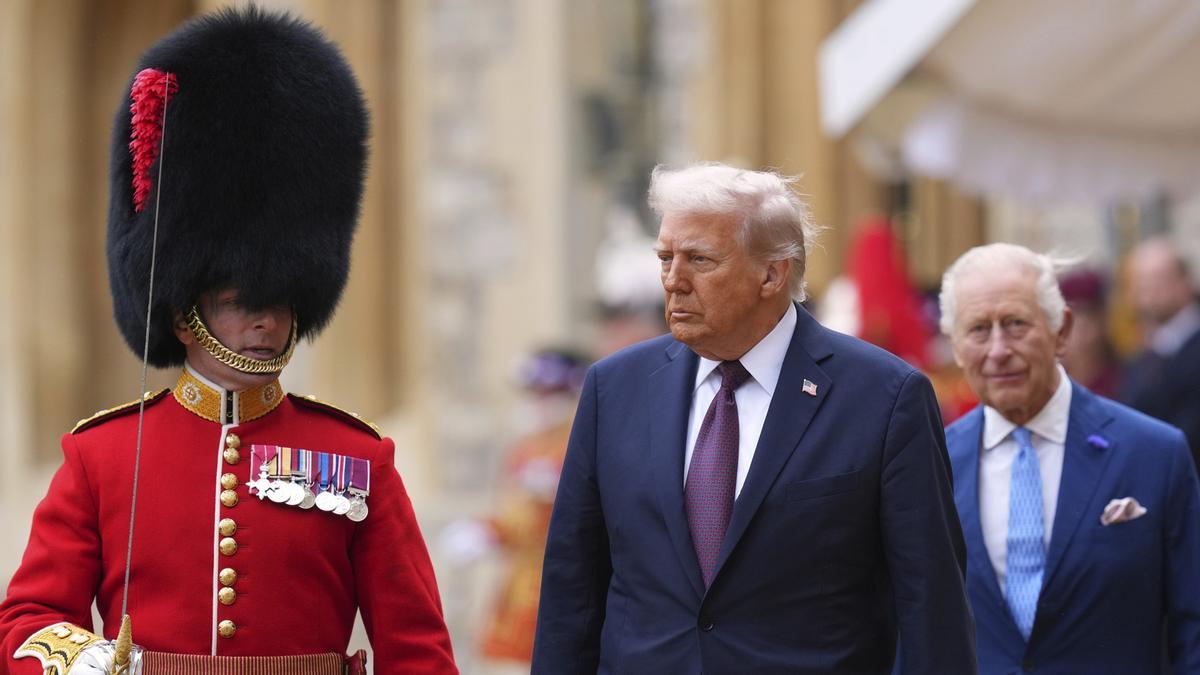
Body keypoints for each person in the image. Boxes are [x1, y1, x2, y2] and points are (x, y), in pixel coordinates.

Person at [0, 8, 457, 674]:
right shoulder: (100, 458)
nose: (265, 321)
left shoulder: (358, 459)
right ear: (186, 314)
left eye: (277, 302)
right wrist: (98, 661)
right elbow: (27, 623)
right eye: (241, 303)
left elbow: (417, 648)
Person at [532, 163, 976, 674]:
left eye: (699, 259)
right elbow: (573, 587)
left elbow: (931, 607)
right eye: (665, 258)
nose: (673, 282)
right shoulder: (614, 389)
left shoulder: (885, 397)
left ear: (772, 272)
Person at [939, 243, 1200, 674]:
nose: (998, 349)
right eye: (979, 329)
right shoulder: (933, 462)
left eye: (1016, 324)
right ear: (955, 345)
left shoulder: (1155, 453)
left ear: (1061, 330)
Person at [1120, 237, 1200, 466]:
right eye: (1141, 282)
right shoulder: (1147, 350)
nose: (1147, 292)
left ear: (1185, 282)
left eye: (1157, 280)